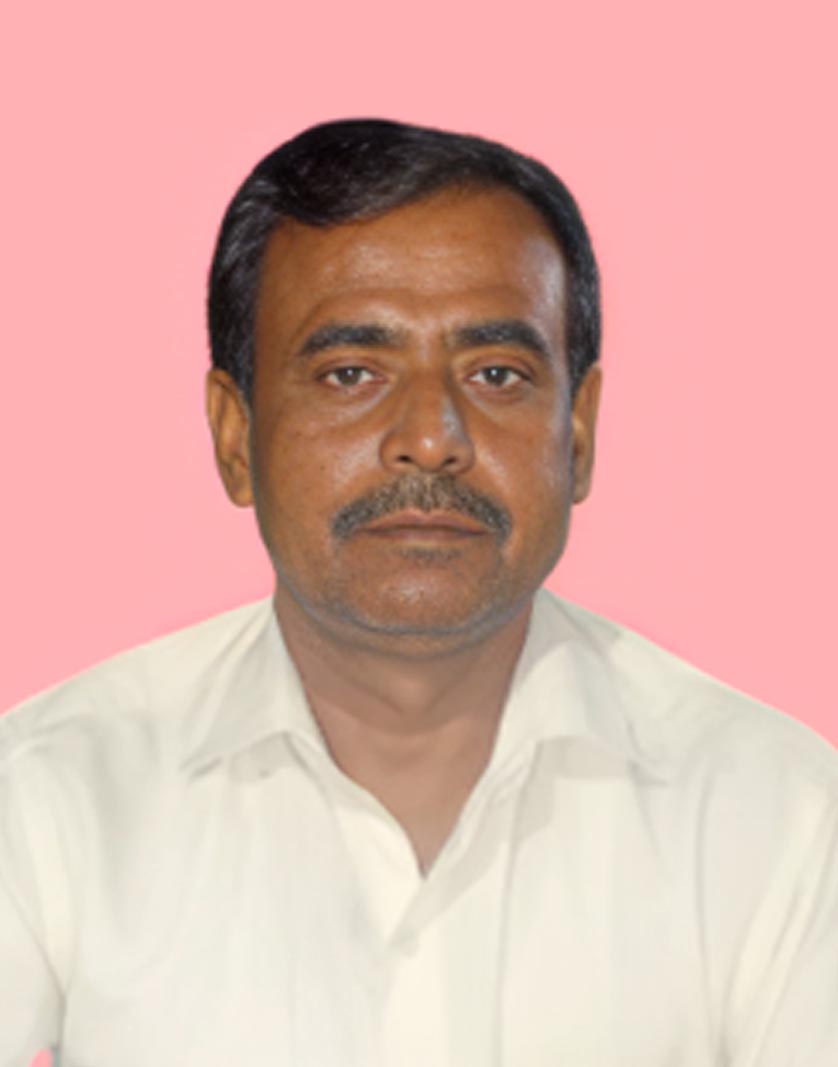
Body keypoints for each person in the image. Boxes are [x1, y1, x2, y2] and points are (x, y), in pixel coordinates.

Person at [1, 119, 836, 1067]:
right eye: (351, 374)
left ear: (578, 433)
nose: (432, 438)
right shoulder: (48, 794)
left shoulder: (776, 811)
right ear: (235, 436)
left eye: (497, 374)